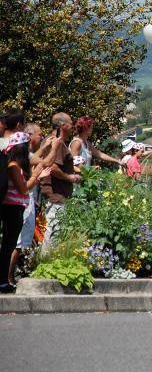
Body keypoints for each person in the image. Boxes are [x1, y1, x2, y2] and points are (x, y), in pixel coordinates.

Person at [8, 124, 58, 286]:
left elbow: (38, 159)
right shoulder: (18, 161)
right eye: (40, 135)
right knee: (18, 243)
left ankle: (8, 278)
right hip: (22, 203)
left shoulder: (23, 157)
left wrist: (45, 147)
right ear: (29, 136)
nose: (42, 137)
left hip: (26, 202)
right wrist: (54, 147)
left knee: (19, 242)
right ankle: (7, 278)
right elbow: (45, 163)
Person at [40, 112, 81, 247]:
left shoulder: (58, 142)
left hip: (58, 195)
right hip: (55, 195)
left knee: (56, 233)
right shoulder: (55, 142)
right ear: (62, 125)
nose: (73, 126)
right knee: (53, 233)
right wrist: (69, 177)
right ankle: (45, 263)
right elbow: (52, 166)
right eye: (71, 123)